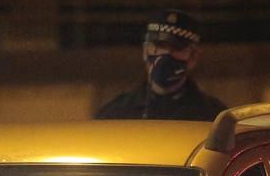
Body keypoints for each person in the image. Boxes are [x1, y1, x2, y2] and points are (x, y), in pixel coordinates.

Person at [96, 9, 227, 122]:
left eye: (177, 47)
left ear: (193, 57)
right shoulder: (115, 115)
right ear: (145, 50)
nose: (165, 54)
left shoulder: (214, 118)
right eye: (159, 45)